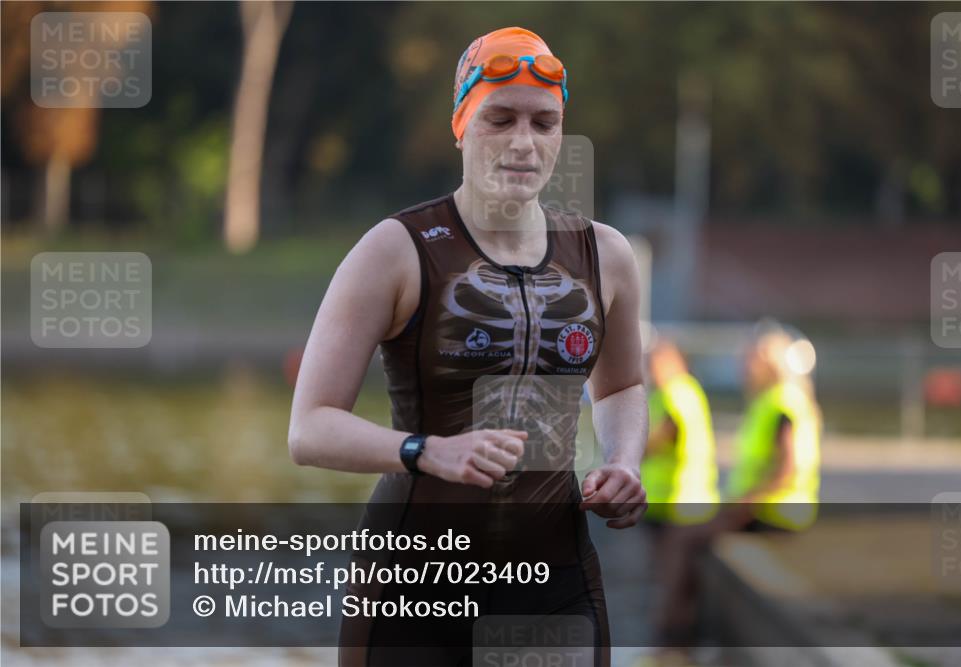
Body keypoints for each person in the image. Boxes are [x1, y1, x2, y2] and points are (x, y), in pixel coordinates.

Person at [288, 26, 648, 667]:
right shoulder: (395, 250)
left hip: (554, 585)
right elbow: (309, 428)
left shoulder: (605, 254)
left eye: (544, 123)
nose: (523, 142)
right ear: (461, 124)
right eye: (498, 119)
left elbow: (621, 387)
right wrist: (427, 451)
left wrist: (624, 461)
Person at [639, 340, 719, 658]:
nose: (652, 368)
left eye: (657, 361)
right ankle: (673, 645)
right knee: (670, 577)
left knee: (673, 579)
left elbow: (661, 438)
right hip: (665, 503)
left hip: (681, 503)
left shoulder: (678, 393)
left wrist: (628, 449)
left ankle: (671, 645)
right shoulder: (667, 393)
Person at [723, 327, 822, 532]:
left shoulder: (782, 403)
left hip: (775, 510)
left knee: (687, 536)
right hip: (768, 507)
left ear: (770, 365)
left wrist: (748, 501)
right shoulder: (769, 400)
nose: (745, 368)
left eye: (752, 361)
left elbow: (788, 466)